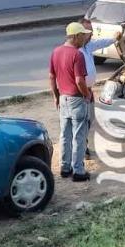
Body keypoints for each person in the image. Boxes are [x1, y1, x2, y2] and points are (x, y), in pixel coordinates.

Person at [49, 22, 93, 182]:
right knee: (79, 135)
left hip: (63, 98)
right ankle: (78, 171)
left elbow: (52, 77)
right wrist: (86, 95)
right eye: (83, 35)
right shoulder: (77, 54)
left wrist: (56, 96)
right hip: (76, 98)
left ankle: (64, 167)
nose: (85, 38)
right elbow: (80, 80)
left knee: (65, 135)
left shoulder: (56, 52)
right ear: (76, 36)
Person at [79, 18, 120, 158]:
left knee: (89, 120)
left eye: (91, 30)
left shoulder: (87, 46)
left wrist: (114, 38)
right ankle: (80, 151)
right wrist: (85, 93)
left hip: (88, 91)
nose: (90, 34)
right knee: (81, 122)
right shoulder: (76, 50)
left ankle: (83, 147)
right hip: (80, 92)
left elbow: (101, 43)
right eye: (87, 31)